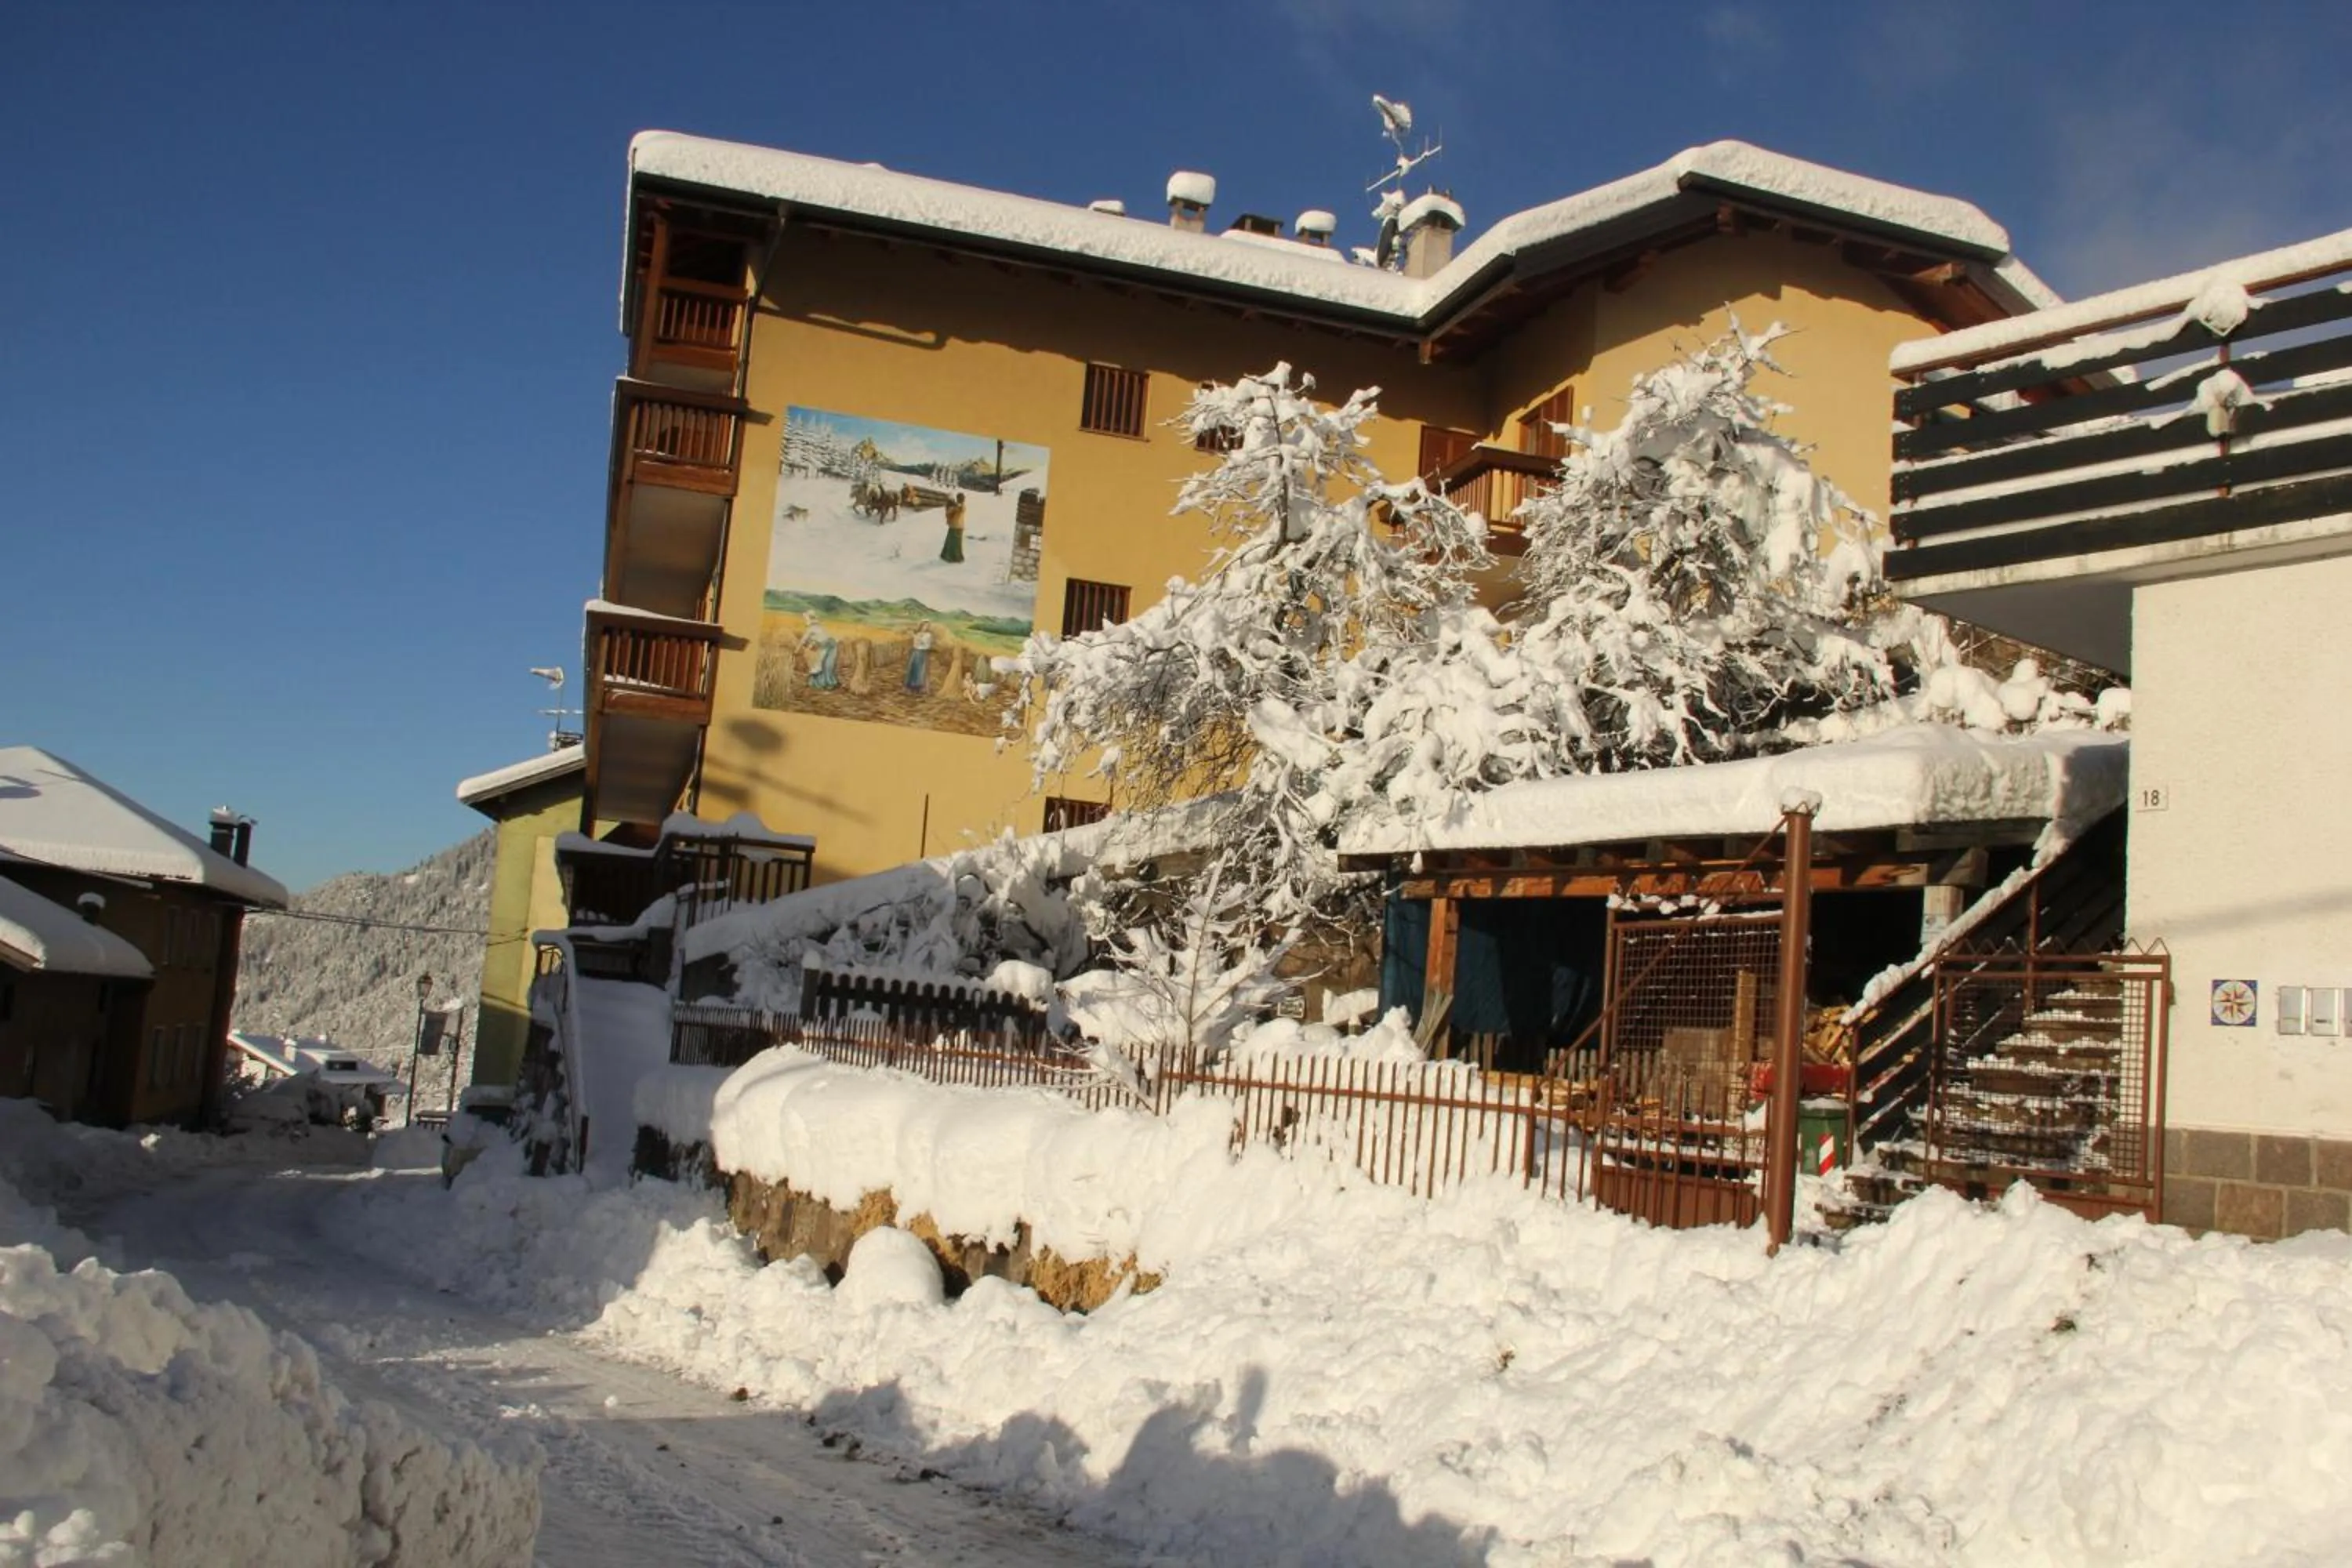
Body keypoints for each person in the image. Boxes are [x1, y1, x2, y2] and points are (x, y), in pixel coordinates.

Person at [798, 615, 840, 690]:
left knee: (820, 665)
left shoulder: (810, 629)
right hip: (832, 644)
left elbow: (803, 641)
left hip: (826, 645)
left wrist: (796, 650)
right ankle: (829, 683)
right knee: (827, 665)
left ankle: (824, 683)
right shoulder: (820, 627)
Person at [905, 620, 935, 693]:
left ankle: (919, 686)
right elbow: (915, 644)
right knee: (913, 668)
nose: (926, 627)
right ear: (921, 626)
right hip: (916, 652)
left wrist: (918, 639)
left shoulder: (928, 635)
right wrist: (916, 639)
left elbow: (927, 646)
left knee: (920, 670)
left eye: (927, 626)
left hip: (922, 653)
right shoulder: (918, 634)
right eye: (925, 626)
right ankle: (911, 686)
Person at [938, 492, 967, 564]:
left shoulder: (959, 506)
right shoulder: (957, 506)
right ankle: (950, 556)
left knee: (953, 543)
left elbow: (956, 511)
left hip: (956, 526)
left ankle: (951, 556)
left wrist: (954, 507)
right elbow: (950, 513)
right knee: (953, 542)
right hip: (956, 526)